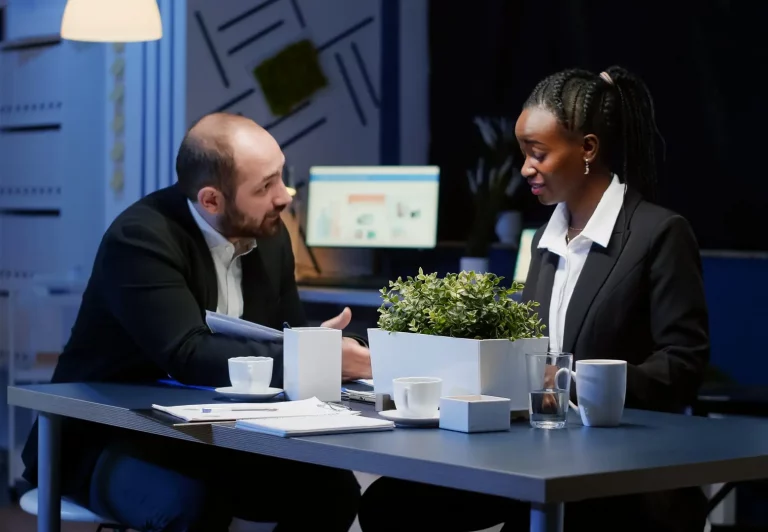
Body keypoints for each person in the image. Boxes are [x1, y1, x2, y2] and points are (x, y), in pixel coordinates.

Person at [358, 66, 710, 531]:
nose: (525, 168)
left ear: (587, 149)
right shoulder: (545, 236)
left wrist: (573, 382)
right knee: (390, 504)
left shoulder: (659, 233)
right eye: (523, 153)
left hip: (618, 465)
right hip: (533, 453)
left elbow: (682, 363)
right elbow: (527, 344)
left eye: (537, 153)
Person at [21, 113, 372, 531]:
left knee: (332, 489)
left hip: (210, 434)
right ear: (211, 200)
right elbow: (187, 353)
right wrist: (309, 355)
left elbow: (288, 338)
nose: (285, 196)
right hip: (111, 432)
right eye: (265, 186)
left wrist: (324, 347)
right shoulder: (141, 238)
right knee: (191, 505)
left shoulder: (270, 236)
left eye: (281, 177)